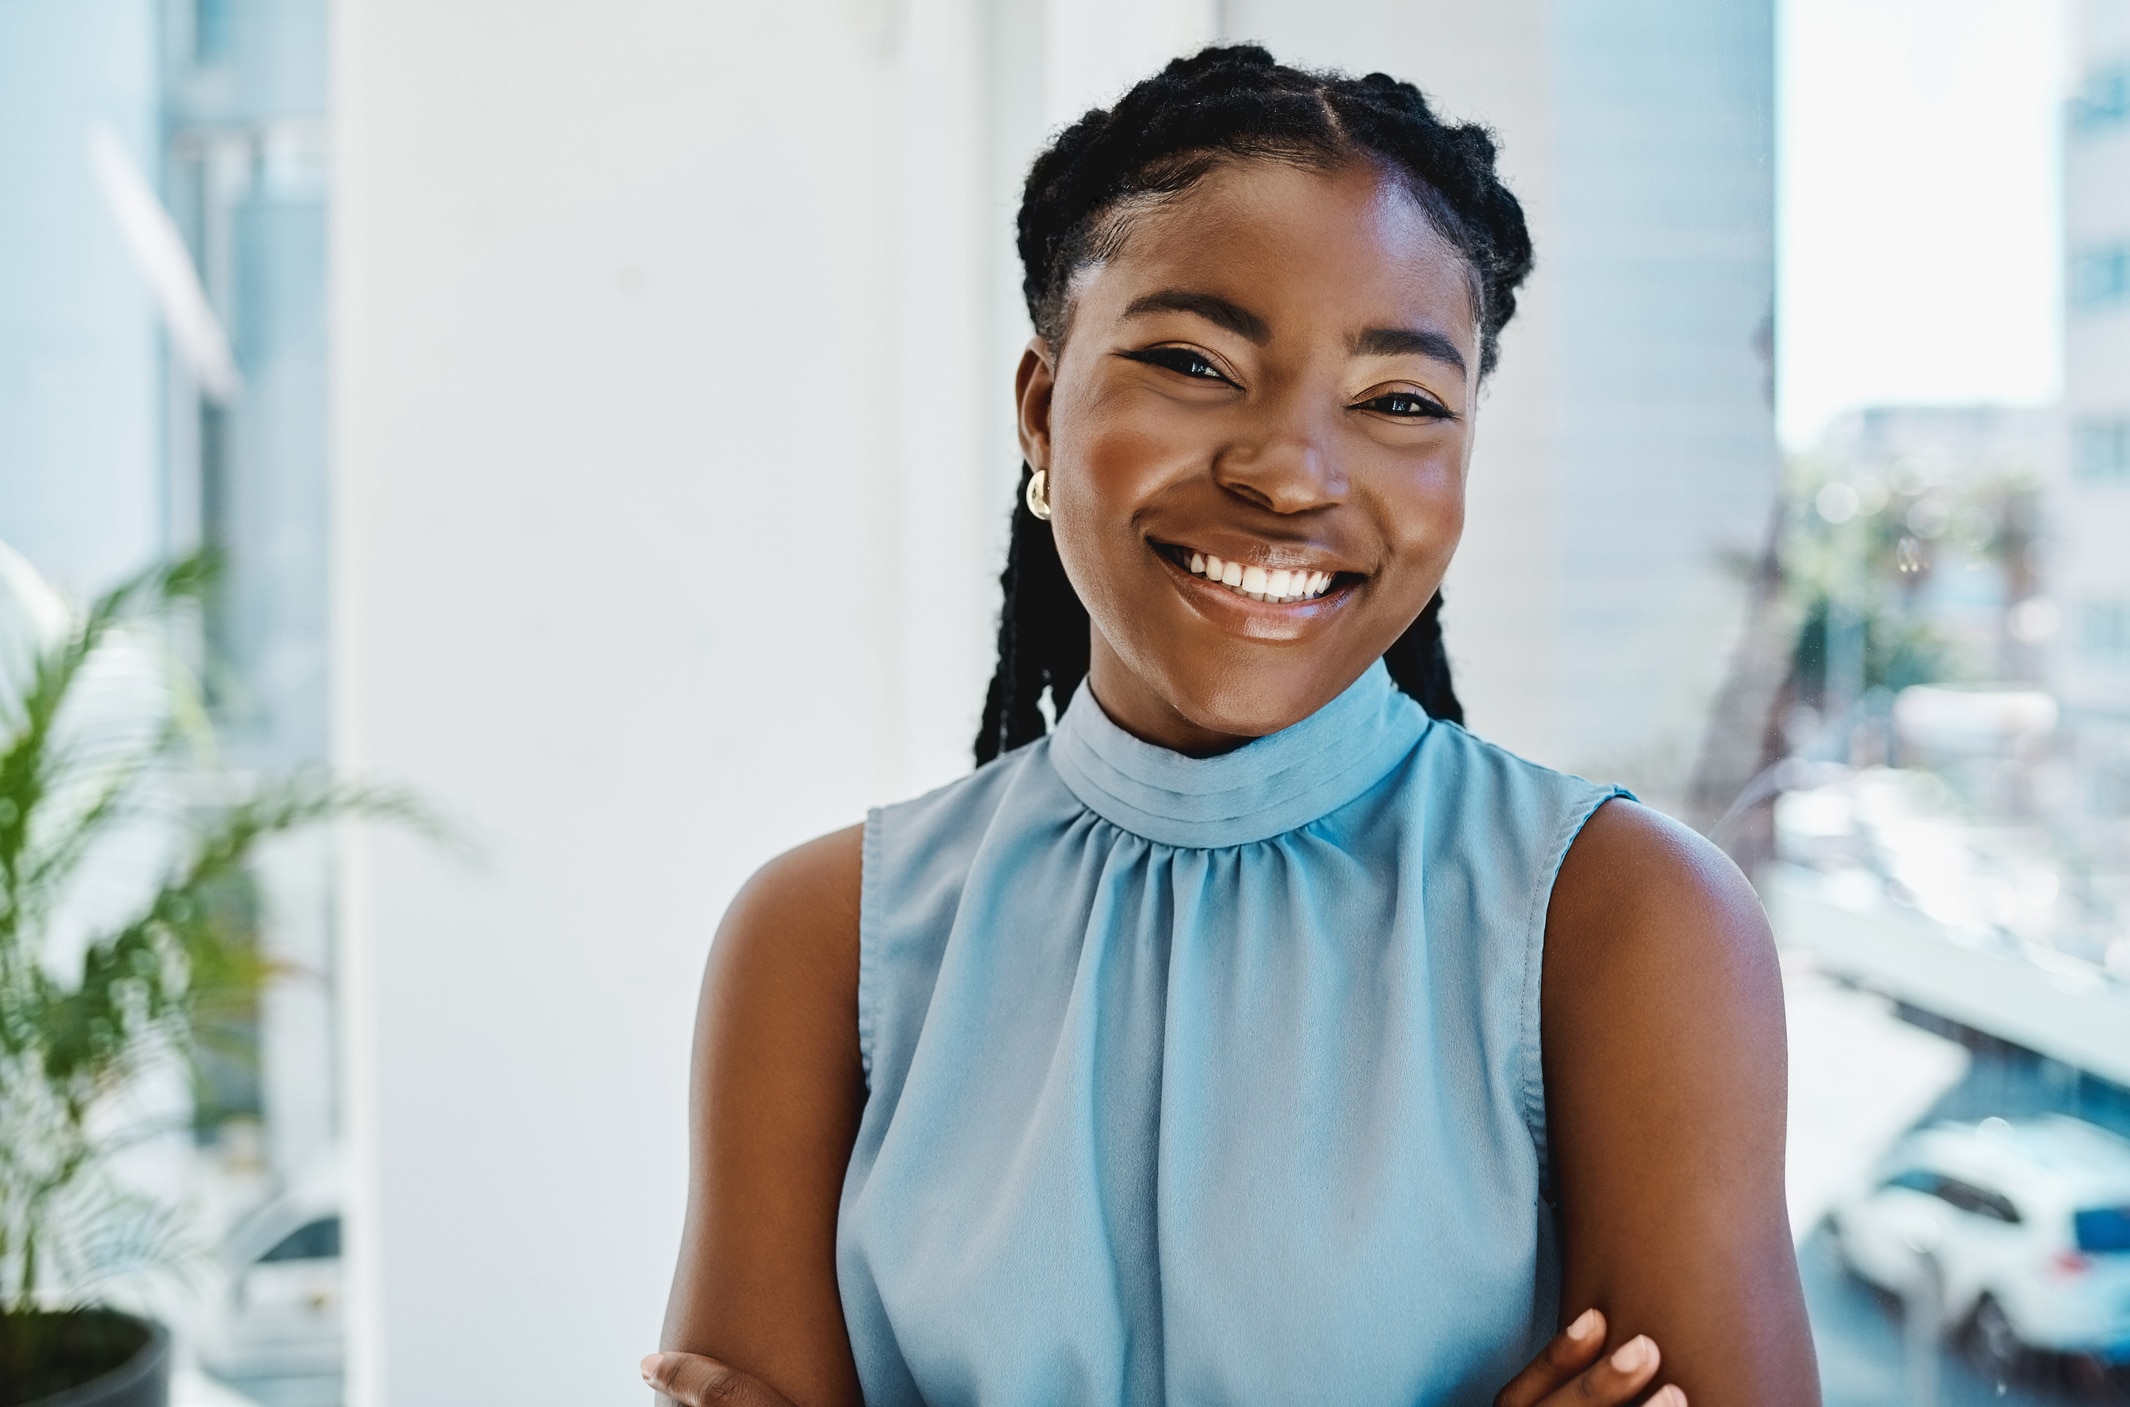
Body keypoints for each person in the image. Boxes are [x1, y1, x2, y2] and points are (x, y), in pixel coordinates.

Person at [644, 46, 1818, 1407]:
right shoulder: (816, 943)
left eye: (1397, 400)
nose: (1289, 472)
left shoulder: (1623, 923)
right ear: (1040, 408)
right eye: (1196, 363)